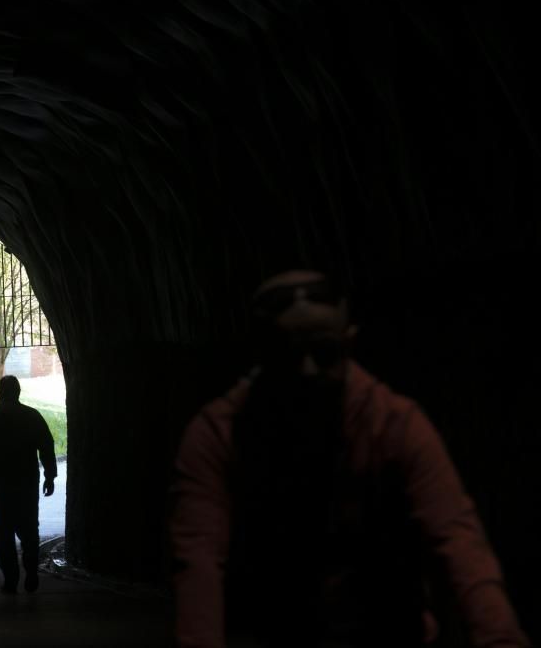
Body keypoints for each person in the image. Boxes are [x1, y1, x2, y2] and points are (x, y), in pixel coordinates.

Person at [169, 270, 529, 648]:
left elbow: (456, 538)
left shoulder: (391, 425)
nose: (307, 370)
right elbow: (197, 558)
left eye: (323, 353)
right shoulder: (219, 434)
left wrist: (499, 638)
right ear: (261, 353)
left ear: (348, 343)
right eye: (289, 355)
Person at [0, 375, 57, 593]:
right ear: (18, 391)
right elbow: (46, 445)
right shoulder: (32, 416)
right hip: (27, 481)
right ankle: (31, 572)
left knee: (3, 531)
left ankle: (10, 578)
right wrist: (50, 475)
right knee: (29, 528)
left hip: (0, 482)